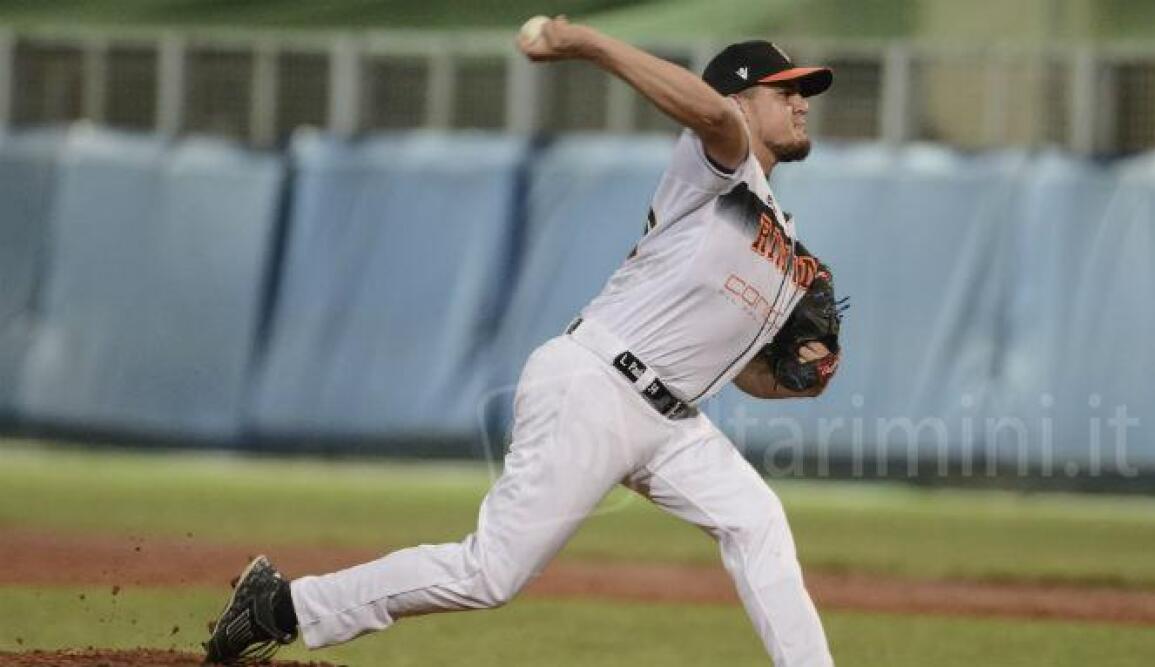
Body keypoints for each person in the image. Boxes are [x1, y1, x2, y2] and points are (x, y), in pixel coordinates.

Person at [204, 17, 839, 667]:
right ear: (737, 100)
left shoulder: (786, 246)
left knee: (755, 518)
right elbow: (706, 111)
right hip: (597, 385)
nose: (800, 102)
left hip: (672, 418)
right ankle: (280, 605)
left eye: (804, 91)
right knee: (489, 574)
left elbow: (743, 373)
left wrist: (800, 376)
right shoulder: (720, 164)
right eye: (783, 89)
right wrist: (588, 44)